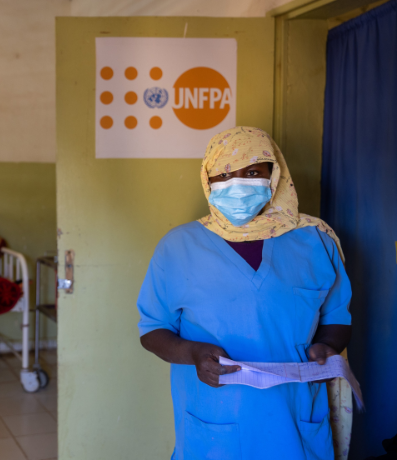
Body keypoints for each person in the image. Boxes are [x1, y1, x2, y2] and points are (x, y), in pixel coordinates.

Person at [137, 127, 352, 460]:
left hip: (295, 421)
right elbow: (152, 330)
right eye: (224, 173)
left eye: (252, 172)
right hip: (215, 425)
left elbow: (337, 319)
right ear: (208, 179)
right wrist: (192, 353)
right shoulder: (177, 247)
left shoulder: (316, 242)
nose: (237, 184)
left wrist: (325, 346)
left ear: (273, 175)